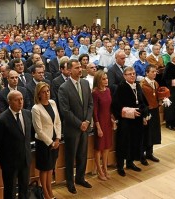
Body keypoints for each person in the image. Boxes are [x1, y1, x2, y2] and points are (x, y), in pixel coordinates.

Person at [58, 59, 93, 194]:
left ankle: (80, 178)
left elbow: (90, 104)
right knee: (71, 156)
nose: (80, 70)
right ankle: (70, 182)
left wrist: (87, 121)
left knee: (82, 155)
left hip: (85, 126)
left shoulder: (84, 83)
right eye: (77, 68)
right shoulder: (64, 88)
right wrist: (80, 124)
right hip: (72, 128)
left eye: (80, 67)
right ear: (69, 70)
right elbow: (65, 111)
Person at [0, 90, 32, 199]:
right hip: (10, 162)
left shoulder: (27, 114)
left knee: (24, 188)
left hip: (25, 159)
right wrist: (4, 160)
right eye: (16, 100)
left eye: (21, 99)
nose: (20, 102)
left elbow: (28, 136)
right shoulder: (1, 119)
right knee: (10, 190)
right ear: (9, 102)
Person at [112, 66, 148, 177]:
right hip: (125, 121)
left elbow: (142, 101)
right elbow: (116, 105)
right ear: (124, 76)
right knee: (123, 142)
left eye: (134, 73)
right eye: (130, 74)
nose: (132, 75)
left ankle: (130, 162)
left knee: (134, 141)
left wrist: (143, 111)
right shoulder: (121, 87)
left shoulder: (137, 85)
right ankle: (120, 166)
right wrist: (131, 112)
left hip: (136, 120)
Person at [31, 82, 61, 199]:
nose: (47, 94)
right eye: (43, 92)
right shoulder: (36, 108)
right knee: (44, 169)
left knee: (50, 168)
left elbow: (57, 122)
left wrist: (58, 138)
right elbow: (39, 130)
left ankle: (50, 190)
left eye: (48, 91)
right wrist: (51, 142)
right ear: (39, 95)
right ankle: (45, 193)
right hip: (44, 143)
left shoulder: (53, 103)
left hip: (55, 140)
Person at [92, 70, 114, 181]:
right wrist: (98, 127)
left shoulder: (108, 90)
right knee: (99, 148)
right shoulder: (95, 93)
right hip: (99, 122)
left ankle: (105, 168)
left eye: (107, 78)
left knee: (106, 147)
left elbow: (109, 108)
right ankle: (99, 171)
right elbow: (94, 112)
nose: (106, 80)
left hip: (107, 121)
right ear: (98, 80)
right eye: (104, 79)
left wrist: (112, 119)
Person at [140, 65, 161, 165]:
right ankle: (142, 155)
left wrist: (162, 100)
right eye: (152, 72)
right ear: (147, 73)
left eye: (155, 71)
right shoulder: (142, 84)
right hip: (146, 111)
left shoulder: (156, 83)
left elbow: (157, 95)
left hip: (155, 110)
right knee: (145, 133)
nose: (155, 73)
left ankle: (150, 153)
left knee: (152, 132)